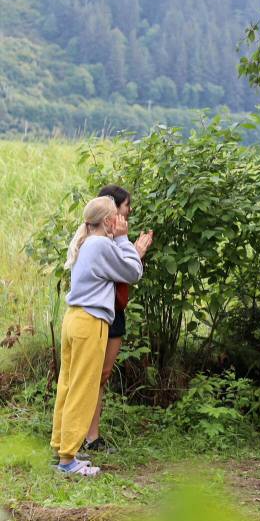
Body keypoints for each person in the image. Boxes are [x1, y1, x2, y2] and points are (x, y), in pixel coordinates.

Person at [51, 196, 144, 476]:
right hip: (90, 322)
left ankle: (61, 447)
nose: (121, 219)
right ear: (107, 221)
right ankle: (68, 459)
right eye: (117, 214)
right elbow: (133, 271)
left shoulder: (86, 242)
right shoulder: (102, 243)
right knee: (84, 387)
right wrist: (124, 239)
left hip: (74, 318)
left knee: (67, 385)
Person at [84, 185, 154, 456]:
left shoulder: (113, 239)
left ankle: (92, 435)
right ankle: (81, 436)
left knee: (102, 376)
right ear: (112, 210)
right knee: (91, 375)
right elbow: (126, 272)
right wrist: (133, 251)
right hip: (100, 312)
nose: (130, 211)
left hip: (115, 312)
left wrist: (131, 250)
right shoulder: (99, 240)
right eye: (126, 206)